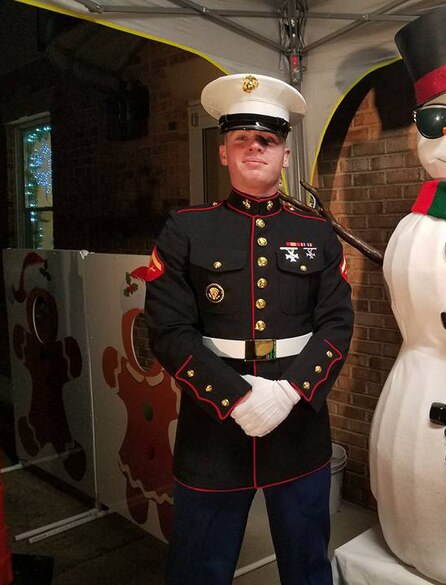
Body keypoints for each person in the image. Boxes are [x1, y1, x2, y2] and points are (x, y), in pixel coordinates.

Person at [143, 72, 354, 585]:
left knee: (307, 566)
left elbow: (336, 322)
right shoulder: (186, 230)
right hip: (213, 432)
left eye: (268, 139)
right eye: (241, 138)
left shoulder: (316, 232)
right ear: (224, 153)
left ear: (285, 155)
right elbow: (169, 329)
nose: (254, 147)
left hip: (297, 428)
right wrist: (236, 397)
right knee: (198, 568)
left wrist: (287, 393)